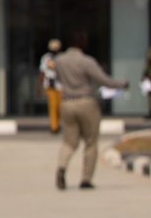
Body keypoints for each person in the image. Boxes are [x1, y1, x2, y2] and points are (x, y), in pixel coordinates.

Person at [53, 30, 129, 191]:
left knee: (69, 141)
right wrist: (122, 83)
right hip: (85, 102)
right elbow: (104, 80)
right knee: (91, 141)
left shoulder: (59, 61)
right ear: (81, 42)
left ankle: (61, 167)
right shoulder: (87, 61)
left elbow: (57, 79)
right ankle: (86, 179)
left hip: (66, 103)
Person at [36, 38, 61, 134]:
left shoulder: (61, 58)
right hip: (49, 85)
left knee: (60, 106)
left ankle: (58, 123)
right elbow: (42, 72)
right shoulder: (46, 58)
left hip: (60, 85)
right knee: (52, 105)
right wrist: (38, 85)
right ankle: (54, 126)